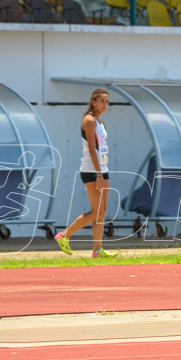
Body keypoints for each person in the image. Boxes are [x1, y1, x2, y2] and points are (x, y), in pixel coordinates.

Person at [55, 88, 118, 258]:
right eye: (102, 101)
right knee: (96, 212)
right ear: (94, 102)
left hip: (103, 169)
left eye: (107, 101)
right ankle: (64, 235)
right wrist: (98, 173)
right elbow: (91, 148)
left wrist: (102, 171)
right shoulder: (89, 120)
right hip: (92, 170)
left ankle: (97, 250)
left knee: (102, 211)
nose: (105, 104)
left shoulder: (100, 122)